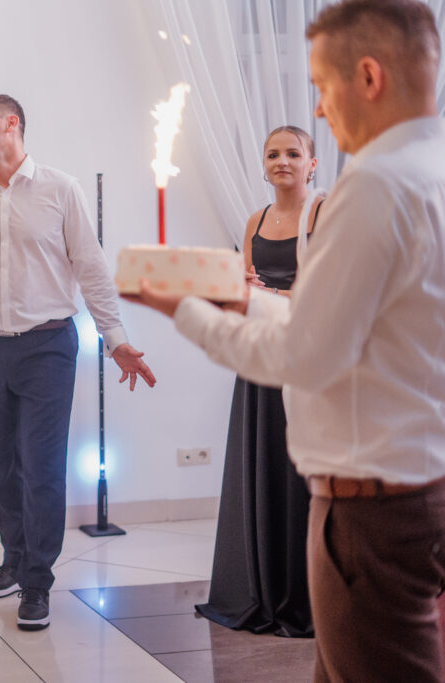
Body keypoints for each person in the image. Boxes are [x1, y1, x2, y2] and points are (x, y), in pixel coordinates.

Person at [127, 1, 445, 679]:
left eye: (322, 86)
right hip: (421, 478)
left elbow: (304, 354)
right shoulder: (432, 169)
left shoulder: (374, 187)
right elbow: (357, 328)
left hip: (376, 503)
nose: (320, 109)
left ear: (369, 76)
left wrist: (185, 310)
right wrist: (245, 299)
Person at [0, 95, 156, 631]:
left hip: (48, 346)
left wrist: (115, 340)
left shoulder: (61, 189)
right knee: (2, 467)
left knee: (42, 468)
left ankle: (37, 581)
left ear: (10, 123)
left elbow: (91, 268)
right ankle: (13, 562)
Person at [196, 126, 323, 638]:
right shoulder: (256, 220)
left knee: (298, 471)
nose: (282, 161)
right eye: (273, 154)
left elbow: (327, 291)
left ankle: (307, 594)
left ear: (312, 163)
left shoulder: (325, 214)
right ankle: (262, 588)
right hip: (259, 357)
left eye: (293, 153)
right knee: (262, 463)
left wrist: (268, 296)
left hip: (304, 359)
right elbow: (246, 289)